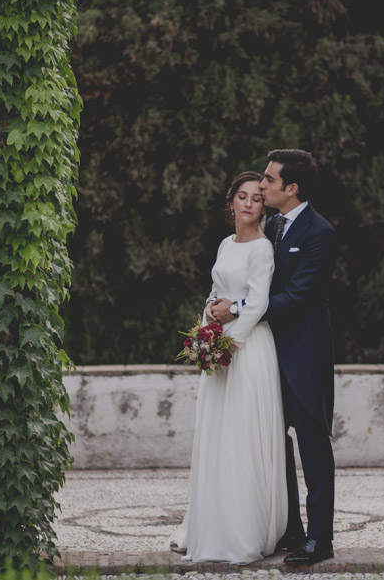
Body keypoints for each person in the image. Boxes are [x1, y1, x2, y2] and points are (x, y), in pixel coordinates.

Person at [210, 149, 337, 565]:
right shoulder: (272, 225)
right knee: (272, 444)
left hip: (303, 355)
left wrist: (237, 309)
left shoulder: (319, 233)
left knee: (312, 446)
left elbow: (297, 297)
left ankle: (319, 539)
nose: (261, 186)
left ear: (292, 187)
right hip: (264, 355)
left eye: (269, 180)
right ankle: (289, 528)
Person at [169, 171, 288, 564]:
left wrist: (229, 342)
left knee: (242, 435)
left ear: (264, 207)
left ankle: (242, 530)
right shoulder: (225, 244)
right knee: (217, 434)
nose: (249, 203)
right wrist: (208, 323)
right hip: (220, 347)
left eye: (257, 198)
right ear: (231, 202)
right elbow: (215, 292)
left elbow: (258, 303)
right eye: (242, 196)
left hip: (248, 350)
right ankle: (210, 524)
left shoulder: (263, 249)